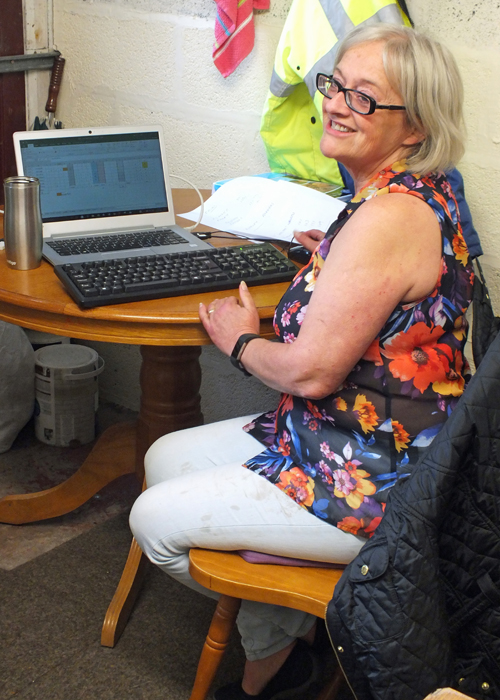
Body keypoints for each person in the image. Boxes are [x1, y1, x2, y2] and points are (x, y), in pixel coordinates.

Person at [130, 23, 474, 700]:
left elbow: (312, 372)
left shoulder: (387, 218)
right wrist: (337, 254)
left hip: (377, 481)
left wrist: (236, 338)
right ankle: (289, 631)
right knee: (164, 457)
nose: (337, 104)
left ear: (414, 127)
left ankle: (284, 658)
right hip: (346, 436)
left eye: (365, 98)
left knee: (151, 521)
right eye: (336, 85)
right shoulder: (412, 193)